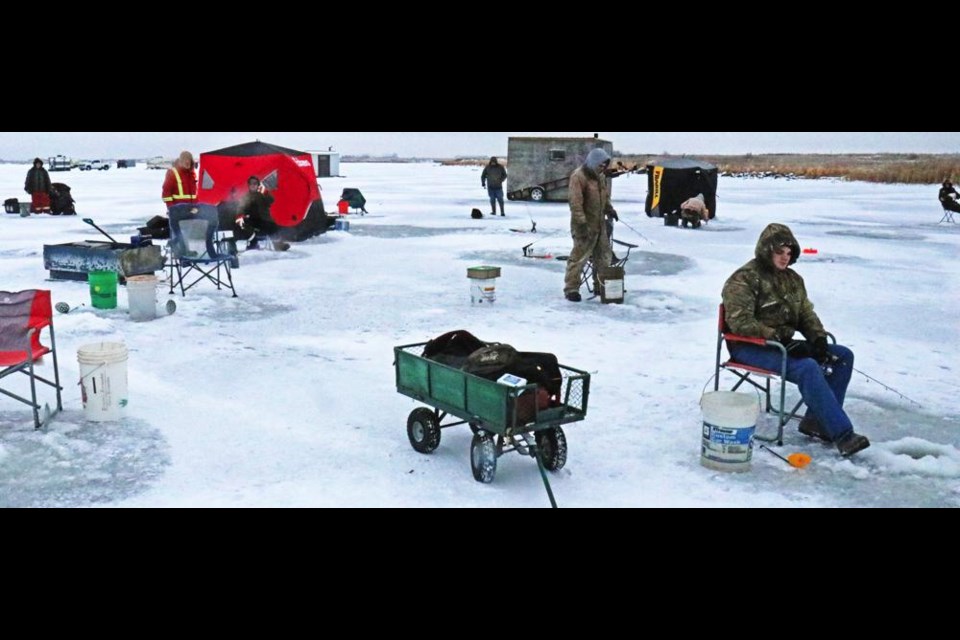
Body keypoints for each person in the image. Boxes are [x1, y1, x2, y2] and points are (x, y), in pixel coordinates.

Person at [721, 223, 870, 458]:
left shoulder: (793, 280)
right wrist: (779, 339)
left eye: (789, 253)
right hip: (749, 347)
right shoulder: (743, 279)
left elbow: (805, 314)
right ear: (766, 250)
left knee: (842, 356)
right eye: (779, 252)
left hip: (781, 346)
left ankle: (816, 421)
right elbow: (740, 323)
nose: (784, 258)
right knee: (808, 367)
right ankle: (843, 434)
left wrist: (817, 337)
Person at [563, 148, 619, 302]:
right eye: (600, 165)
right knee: (579, 258)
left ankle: (600, 285)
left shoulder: (600, 177)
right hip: (584, 225)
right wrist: (581, 224)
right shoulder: (578, 176)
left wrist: (610, 210)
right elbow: (575, 204)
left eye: (604, 165)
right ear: (593, 162)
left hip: (599, 225)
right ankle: (571, 289)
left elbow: (604, 196)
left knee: (603, 257)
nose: (602, 168)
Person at [236, 176, 289, 251]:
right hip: (251, 220)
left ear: (258, 185)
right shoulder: (245, 197)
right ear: (248, 185)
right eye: (251, 183)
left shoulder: (262, 194)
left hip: (264, 220)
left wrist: (265, 193)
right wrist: (240, 216)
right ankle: (253, 243)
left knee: (273, 225)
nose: (253, 185)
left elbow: (271, 201)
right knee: (243, 224)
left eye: (255, 183)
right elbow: (240, 208)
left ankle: (278, 244)